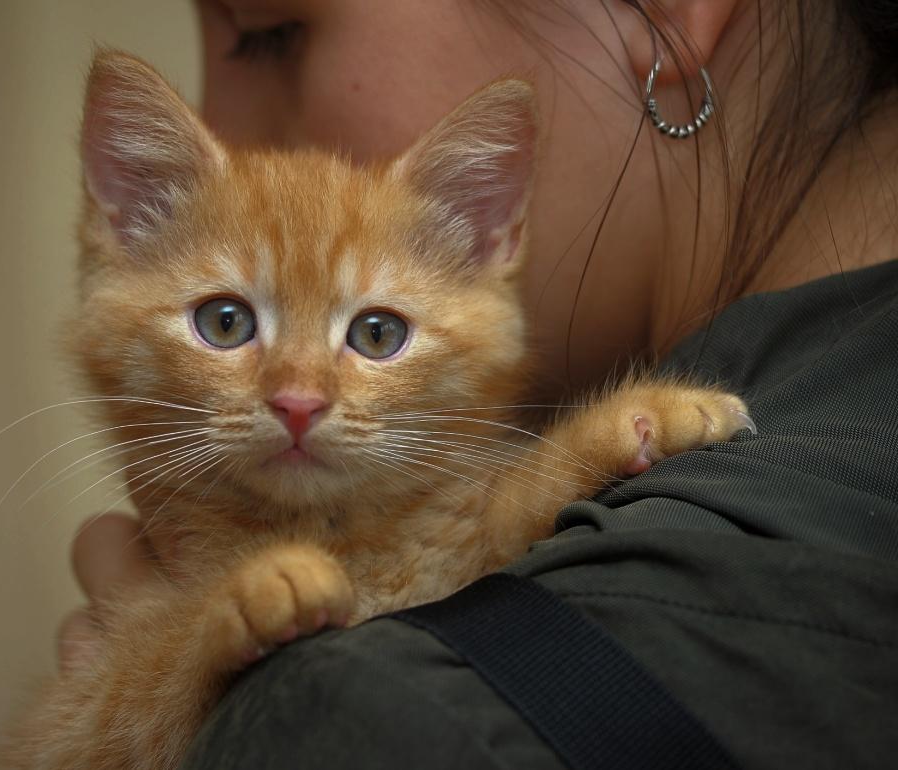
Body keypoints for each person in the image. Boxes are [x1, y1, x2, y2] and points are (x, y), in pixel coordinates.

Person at [59, 1, 898, 766]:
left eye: (273, 34)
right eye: (228, 324)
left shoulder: (401, 714)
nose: (300, 395)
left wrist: (260, 717)